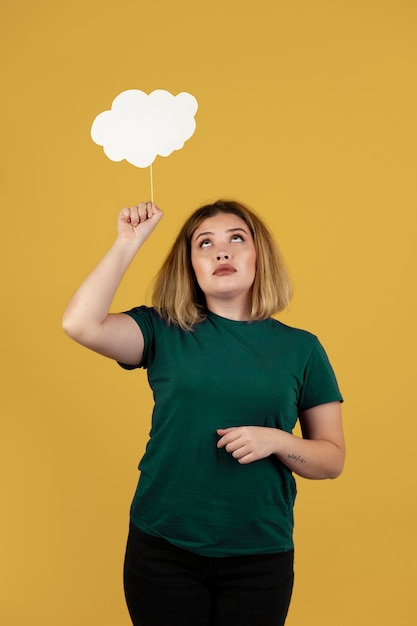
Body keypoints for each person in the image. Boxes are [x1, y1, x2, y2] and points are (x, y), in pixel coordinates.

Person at [62, 199, 344, 626]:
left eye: (236, 239)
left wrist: (279, 441)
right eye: (204, 243)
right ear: (190, 265)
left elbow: (331, 459)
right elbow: (79, 324)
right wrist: (127, 242)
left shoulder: (302, 349)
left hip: (259, 555)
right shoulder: (162, 330)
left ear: (258, 255)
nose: (221, 251)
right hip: (163, 549)